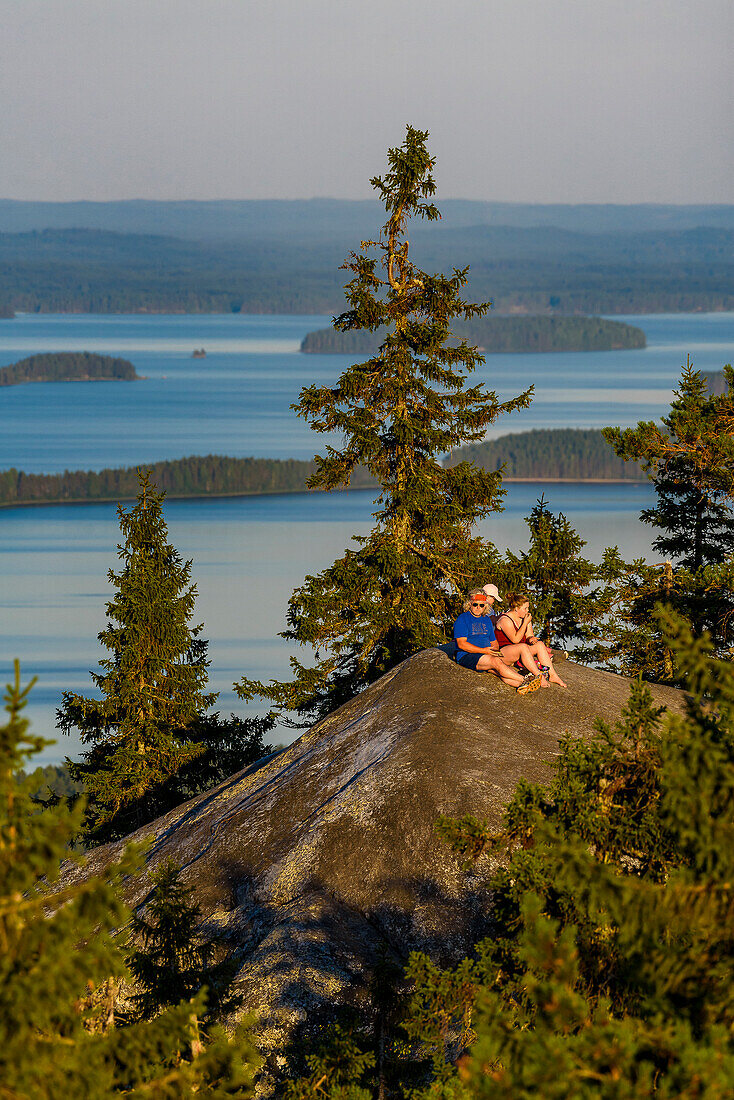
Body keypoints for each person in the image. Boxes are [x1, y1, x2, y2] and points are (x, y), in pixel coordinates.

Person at [453, 589, 542, 695]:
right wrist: (484, 651)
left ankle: (522, 686)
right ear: (469, 604)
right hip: (468, 655)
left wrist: (496, 652)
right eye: (475, 604)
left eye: (481, 605)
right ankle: (526, 680)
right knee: (496, 663)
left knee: (502, 668)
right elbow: (462, 644)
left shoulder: (486, 620)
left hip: (486, 654)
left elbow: (494, 642)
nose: (478, 607)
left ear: (485, 606)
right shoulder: (463, 619)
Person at [494, 592, 568, 687]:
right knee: (522, 647)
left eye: (528, 608)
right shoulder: (505, 620)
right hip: (504, 654)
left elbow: (529, 635)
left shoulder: (525, 618)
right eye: (525, 608)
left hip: (519, 653)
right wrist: (525, 623)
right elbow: (515, 640)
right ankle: (539, 676)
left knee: (540, 644)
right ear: (516, 609)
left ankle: (553, 675)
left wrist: (531, 639)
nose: (527, 611)